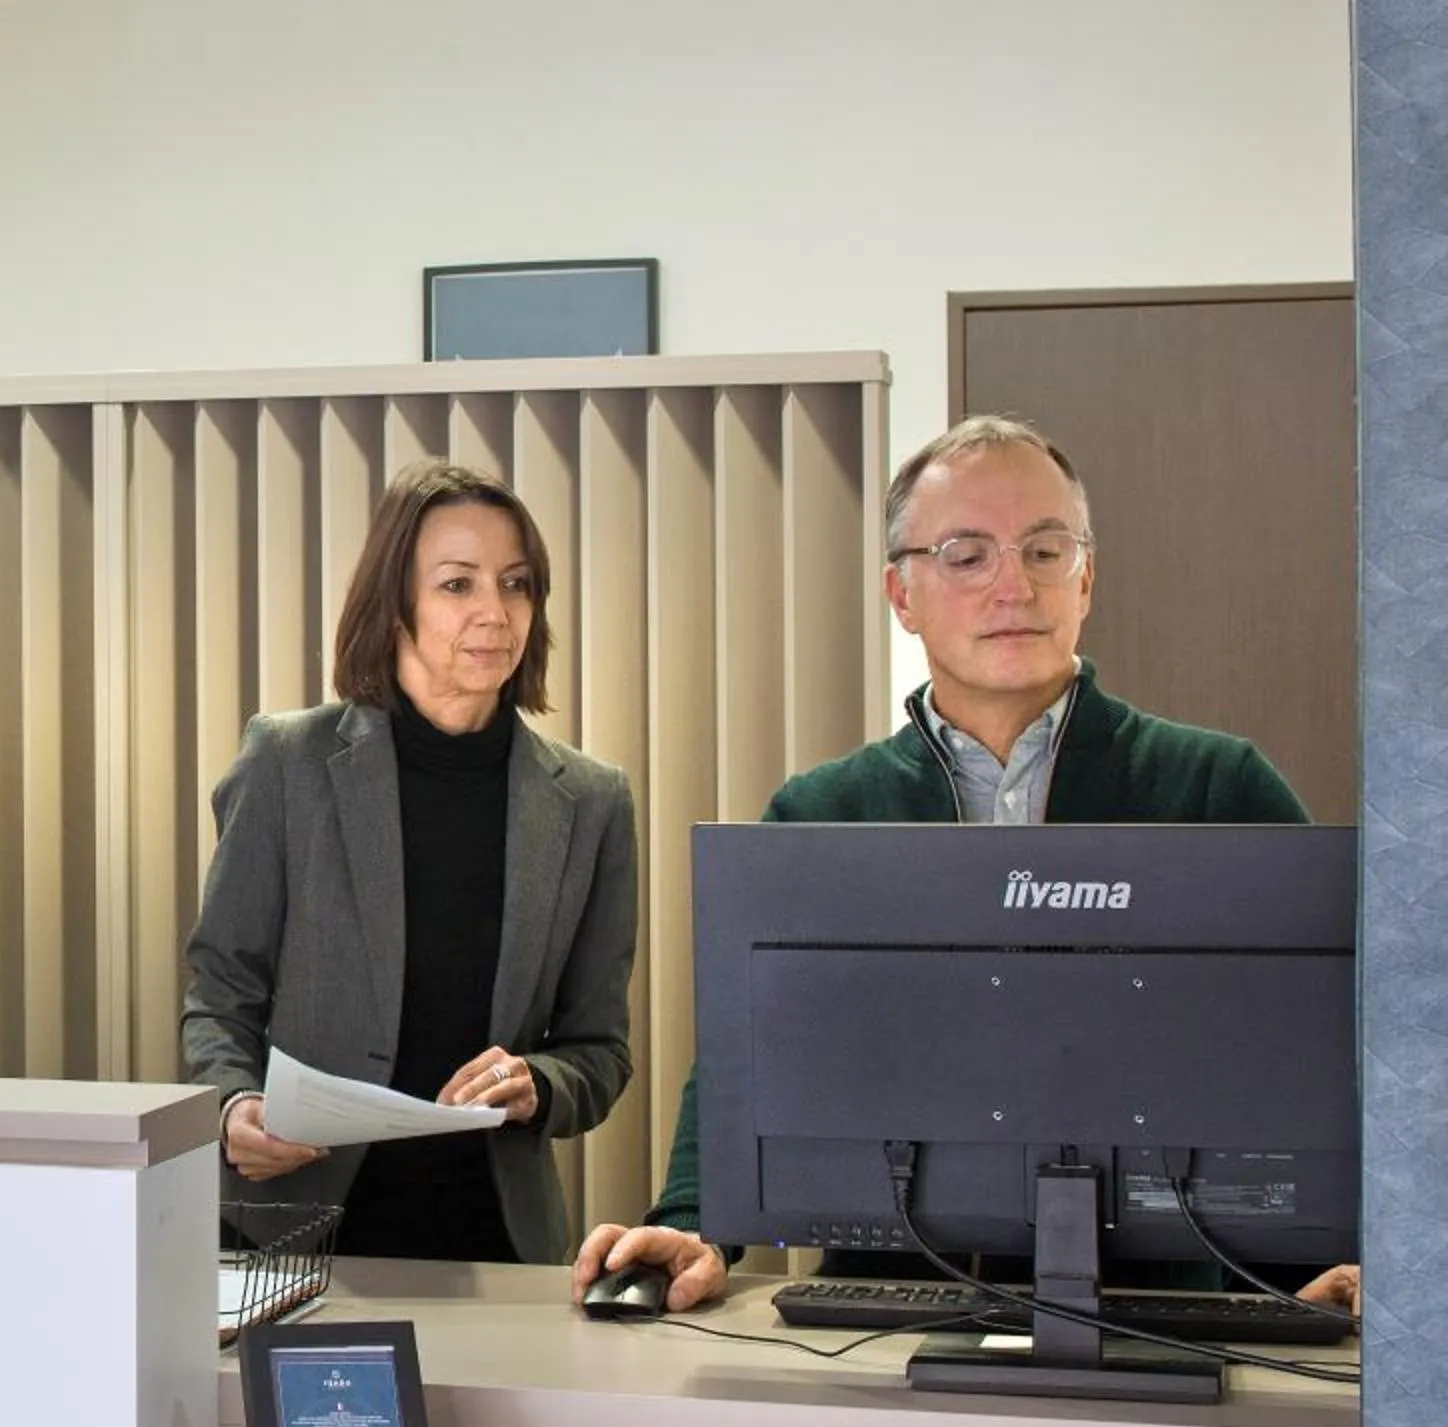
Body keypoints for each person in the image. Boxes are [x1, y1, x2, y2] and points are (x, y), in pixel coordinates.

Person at [570, 413, 1355, 1311]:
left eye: (1045, 549)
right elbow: (752, 1058)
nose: (1012, 585)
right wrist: (695, 1219)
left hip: (1177, 1318)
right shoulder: (824, 817)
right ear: (902, 596)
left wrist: (1335, 1262)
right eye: (966, 554)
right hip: (889, 1325)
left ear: (1086, 576)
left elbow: (1328, 1054)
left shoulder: (1220, 789)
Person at [183, 460, 637, 1264]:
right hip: (296, 1229)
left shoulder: (593, 802)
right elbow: (220, 994)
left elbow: (599, 1051)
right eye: (458, 585)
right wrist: (232, 1107)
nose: (495, 612)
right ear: (394, 602)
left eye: (518, 583)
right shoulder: (287, 763)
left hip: (494, 1238)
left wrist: (541, 1083)